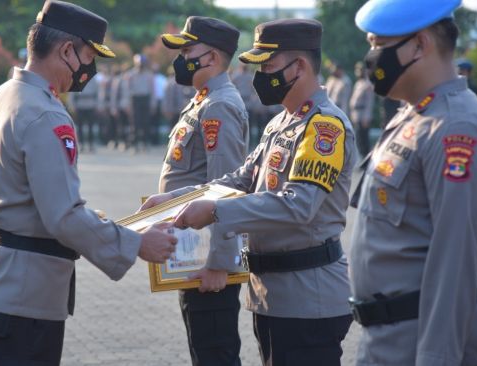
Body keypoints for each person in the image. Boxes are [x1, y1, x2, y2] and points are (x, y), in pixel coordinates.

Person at [0, 2, 177, 365]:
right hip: (26, 295)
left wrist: (102, 223)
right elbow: (62, 216)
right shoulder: (45, 113)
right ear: (66, 51)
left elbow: (26, 198)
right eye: (89, 56)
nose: (90, 69)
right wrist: (138, 242)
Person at [143, 19, 357, 366]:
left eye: (268, 67)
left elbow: (299, 205)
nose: (260, 77)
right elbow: (239, 179)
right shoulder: (281, 123)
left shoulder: (323, 127)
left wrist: (215, 212)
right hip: (272, 295)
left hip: (308, 298)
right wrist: (175, 201)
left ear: (299, 66)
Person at [349, 0, 477, 365]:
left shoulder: (455, 127)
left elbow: (455, 265)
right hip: (389, 342)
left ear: (419, 45)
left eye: (379, 44)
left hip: (422, 344)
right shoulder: (416, 114)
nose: (371, 57)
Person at [158, 16, 248, 366]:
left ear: (210, 57)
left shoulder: (219, 105)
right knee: (204, 350)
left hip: (208, 260)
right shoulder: (202, 100)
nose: (179, 58)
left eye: (186, 50)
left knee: (215, 354)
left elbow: (225, 188)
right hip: (192, 252)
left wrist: (219, 263)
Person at [123, 54, 154, 152]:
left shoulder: (149, 75)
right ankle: (134, 145)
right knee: (134, 124)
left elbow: (152, 91)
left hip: (145, 99)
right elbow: (127, 90)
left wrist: (153, 104)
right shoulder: (130, 75)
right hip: (135, 99)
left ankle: (145, 144)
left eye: (142, 64)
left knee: (146, 123)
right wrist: (127, 104)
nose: (141, 65)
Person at [69, 67, 99, 152]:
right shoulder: (76, 79)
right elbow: (72, 93)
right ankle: (81, 144)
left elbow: (98, 93)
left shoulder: (93, 80)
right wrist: (72, 106)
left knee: (90, 126)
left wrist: (97, 105)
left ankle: (91, 144)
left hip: (90, 105)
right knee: (80, 127)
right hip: (80, 105)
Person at [349, 61, 375, 156]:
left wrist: (366, 117)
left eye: (360, 70)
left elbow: (369, 102)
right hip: (356, 114)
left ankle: (366, 161)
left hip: (363, 115)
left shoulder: (367, 84)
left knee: (364, 141)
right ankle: (362, 159)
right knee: (359, 139)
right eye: (357, 70)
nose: (358, 72)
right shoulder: (358, 83)